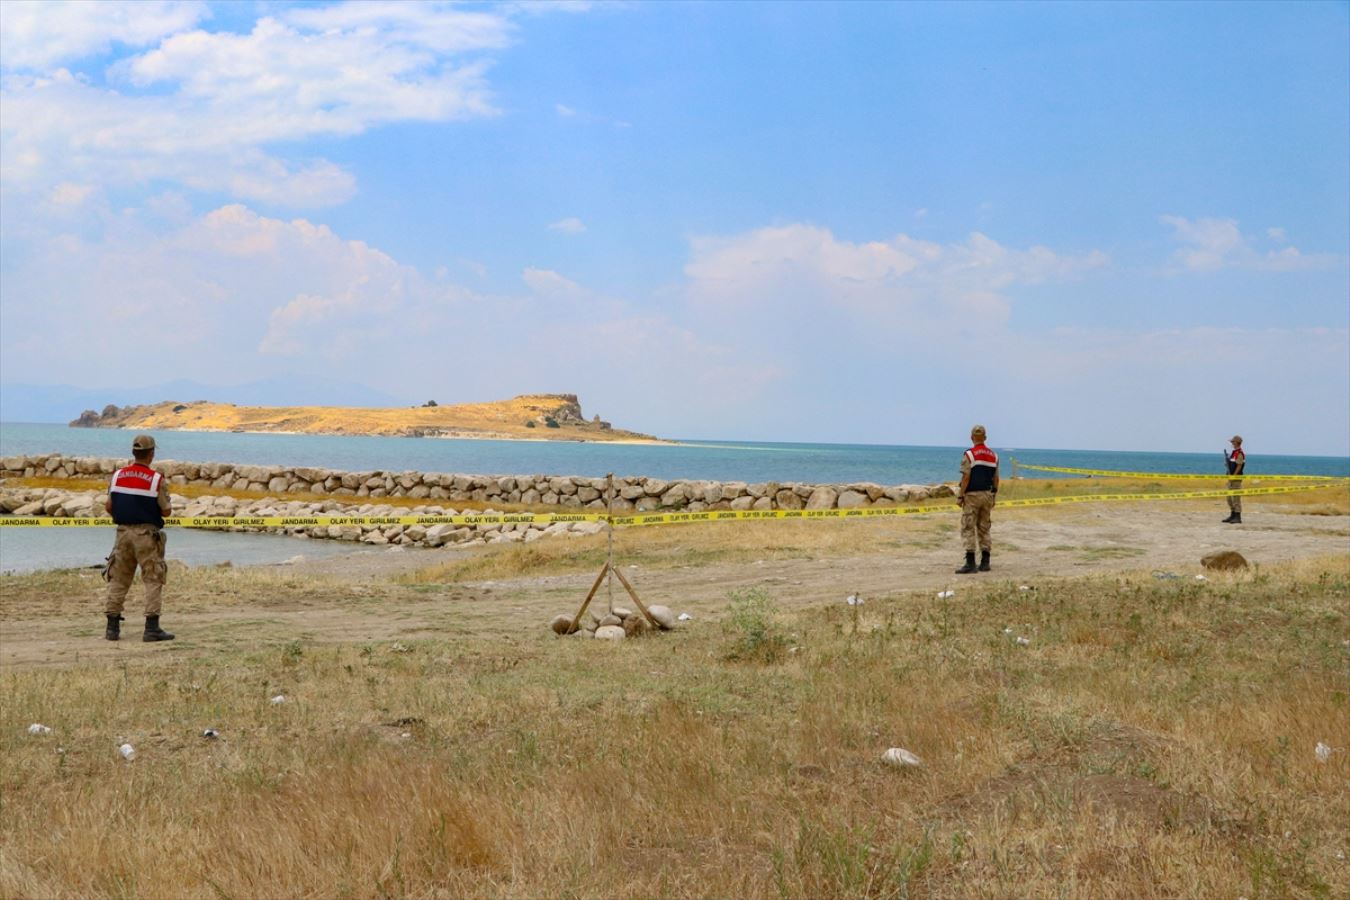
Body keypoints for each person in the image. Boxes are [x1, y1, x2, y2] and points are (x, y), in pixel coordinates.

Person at [104, 434, 175, 641]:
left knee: (118, 579)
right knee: (153, 578)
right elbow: (166, 511)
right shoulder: (156, 480)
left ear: (134, 453)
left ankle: (112, 627)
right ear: (151, 454)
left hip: (122, 533)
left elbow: (108, 506)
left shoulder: (117, 476)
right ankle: (151, 628)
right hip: (146, 535)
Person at [955, 424, 999, 573]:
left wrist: (960, 496)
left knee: (968, 527)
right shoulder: (994, 456)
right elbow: (996, 479)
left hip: (972, 495)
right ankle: (985, 562)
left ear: (972, 437)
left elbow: (966, 477)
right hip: (987, 494)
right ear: (985, 438)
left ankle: (970, 562)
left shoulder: (969, 455)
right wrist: (994, 495)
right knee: (984, 527)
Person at [1223, 435, 1245, 524]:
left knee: (1236, 498)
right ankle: (1232, 514)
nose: (1231, 443)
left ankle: (1237, 516)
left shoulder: (1239, 453)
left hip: (1236, 478)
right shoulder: (1233, 453)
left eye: (1233, 442)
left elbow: (1239, 466)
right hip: (1230, 477)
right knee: (1229, 498)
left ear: (1236, 443)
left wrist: (1234, 476)